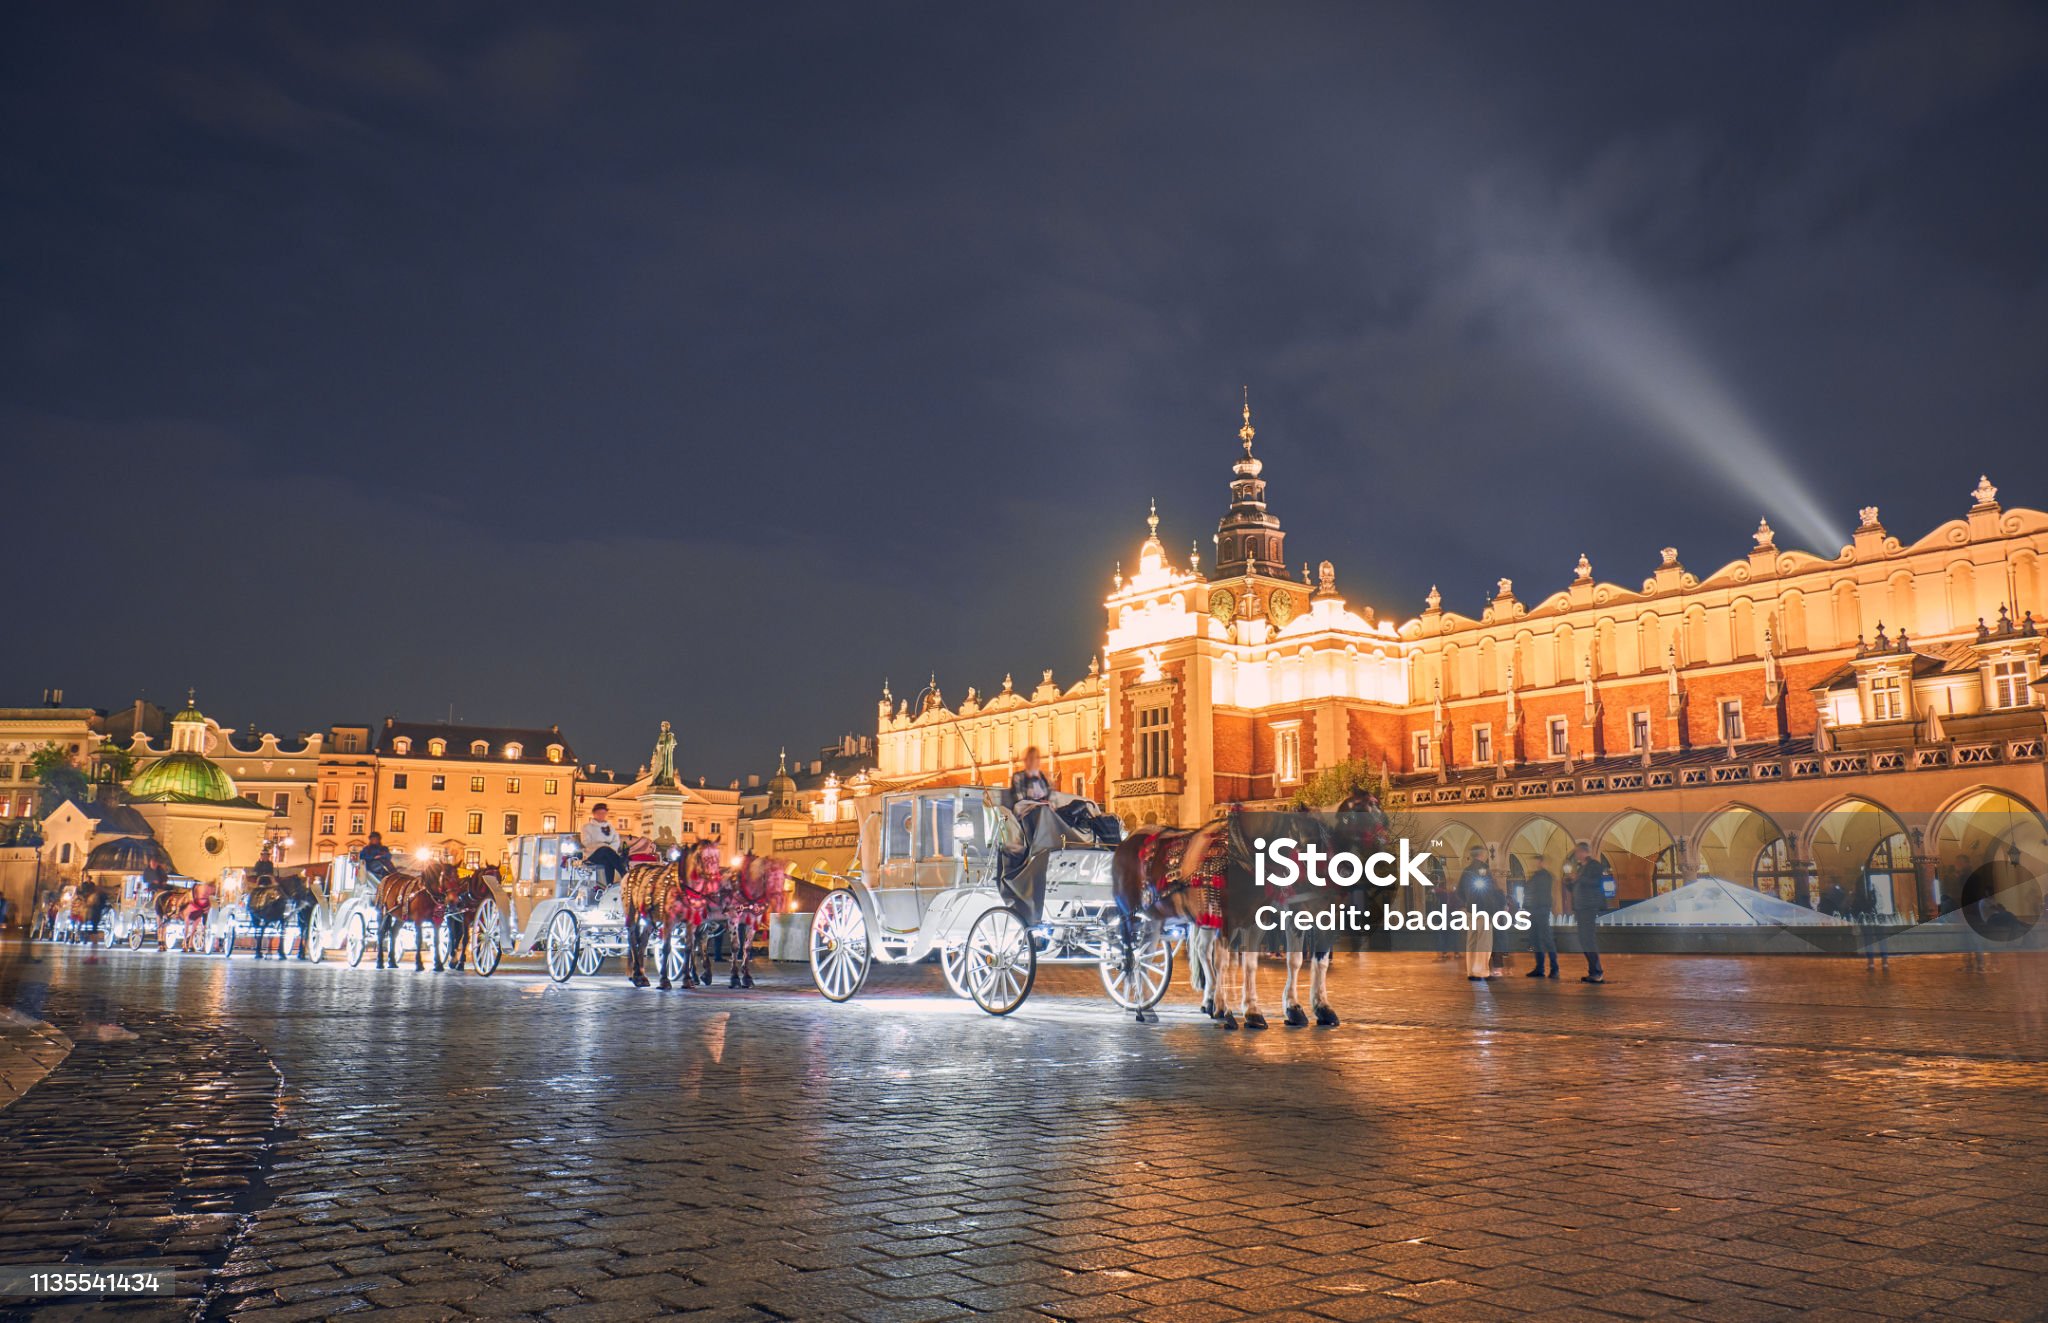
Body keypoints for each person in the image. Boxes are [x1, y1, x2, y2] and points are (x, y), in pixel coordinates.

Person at [1567, 840, 1606, 983]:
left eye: (1578, 852)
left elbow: (1596, 883)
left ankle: (1597, 972)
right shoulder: (1580, 868)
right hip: (1580, 907)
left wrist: (1578, 878)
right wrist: (1569, 882)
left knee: (1588, 939)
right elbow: (1575, 887)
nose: (1576, 855)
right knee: (1584, 940)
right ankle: (1592, 971)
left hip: (1588, 907)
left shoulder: (1594, 866)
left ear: (1584, 852)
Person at [1456, 845, 1497, 981]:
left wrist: (1466, 903)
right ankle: (1481, 971)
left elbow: (1459, 892)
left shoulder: (1466, 870)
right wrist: (1492, 909)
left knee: (1471, 941)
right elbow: (1489, 892)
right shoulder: (1484, 869)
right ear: (1482, 854)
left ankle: (1471, 971)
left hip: (1470, 911)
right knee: (1483, 942)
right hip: (1483, 910)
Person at [581, 804, 630, 893]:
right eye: (599, 813)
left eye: (603, 813)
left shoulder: (610, 827)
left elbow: (616, 841)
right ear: (594, 814)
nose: (601, 815)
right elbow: (586, 842)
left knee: (608, 860)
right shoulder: (587, 827)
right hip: (593, 854)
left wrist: (609, 848)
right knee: (605, 850)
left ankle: (609, 886)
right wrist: (603, 846)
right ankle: (623, 872)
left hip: (608, 854)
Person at [1524, 860, 1559, 978]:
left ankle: (1554, 969)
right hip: (1534, 910)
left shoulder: (1545, 876)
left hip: (1541, 910)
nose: (1535, 864)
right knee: (1536, 940)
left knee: (1546, 939)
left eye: (1537, 862)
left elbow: (1536, 891)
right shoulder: (1536, 876)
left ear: (1542, 862)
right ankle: (1540, 968)